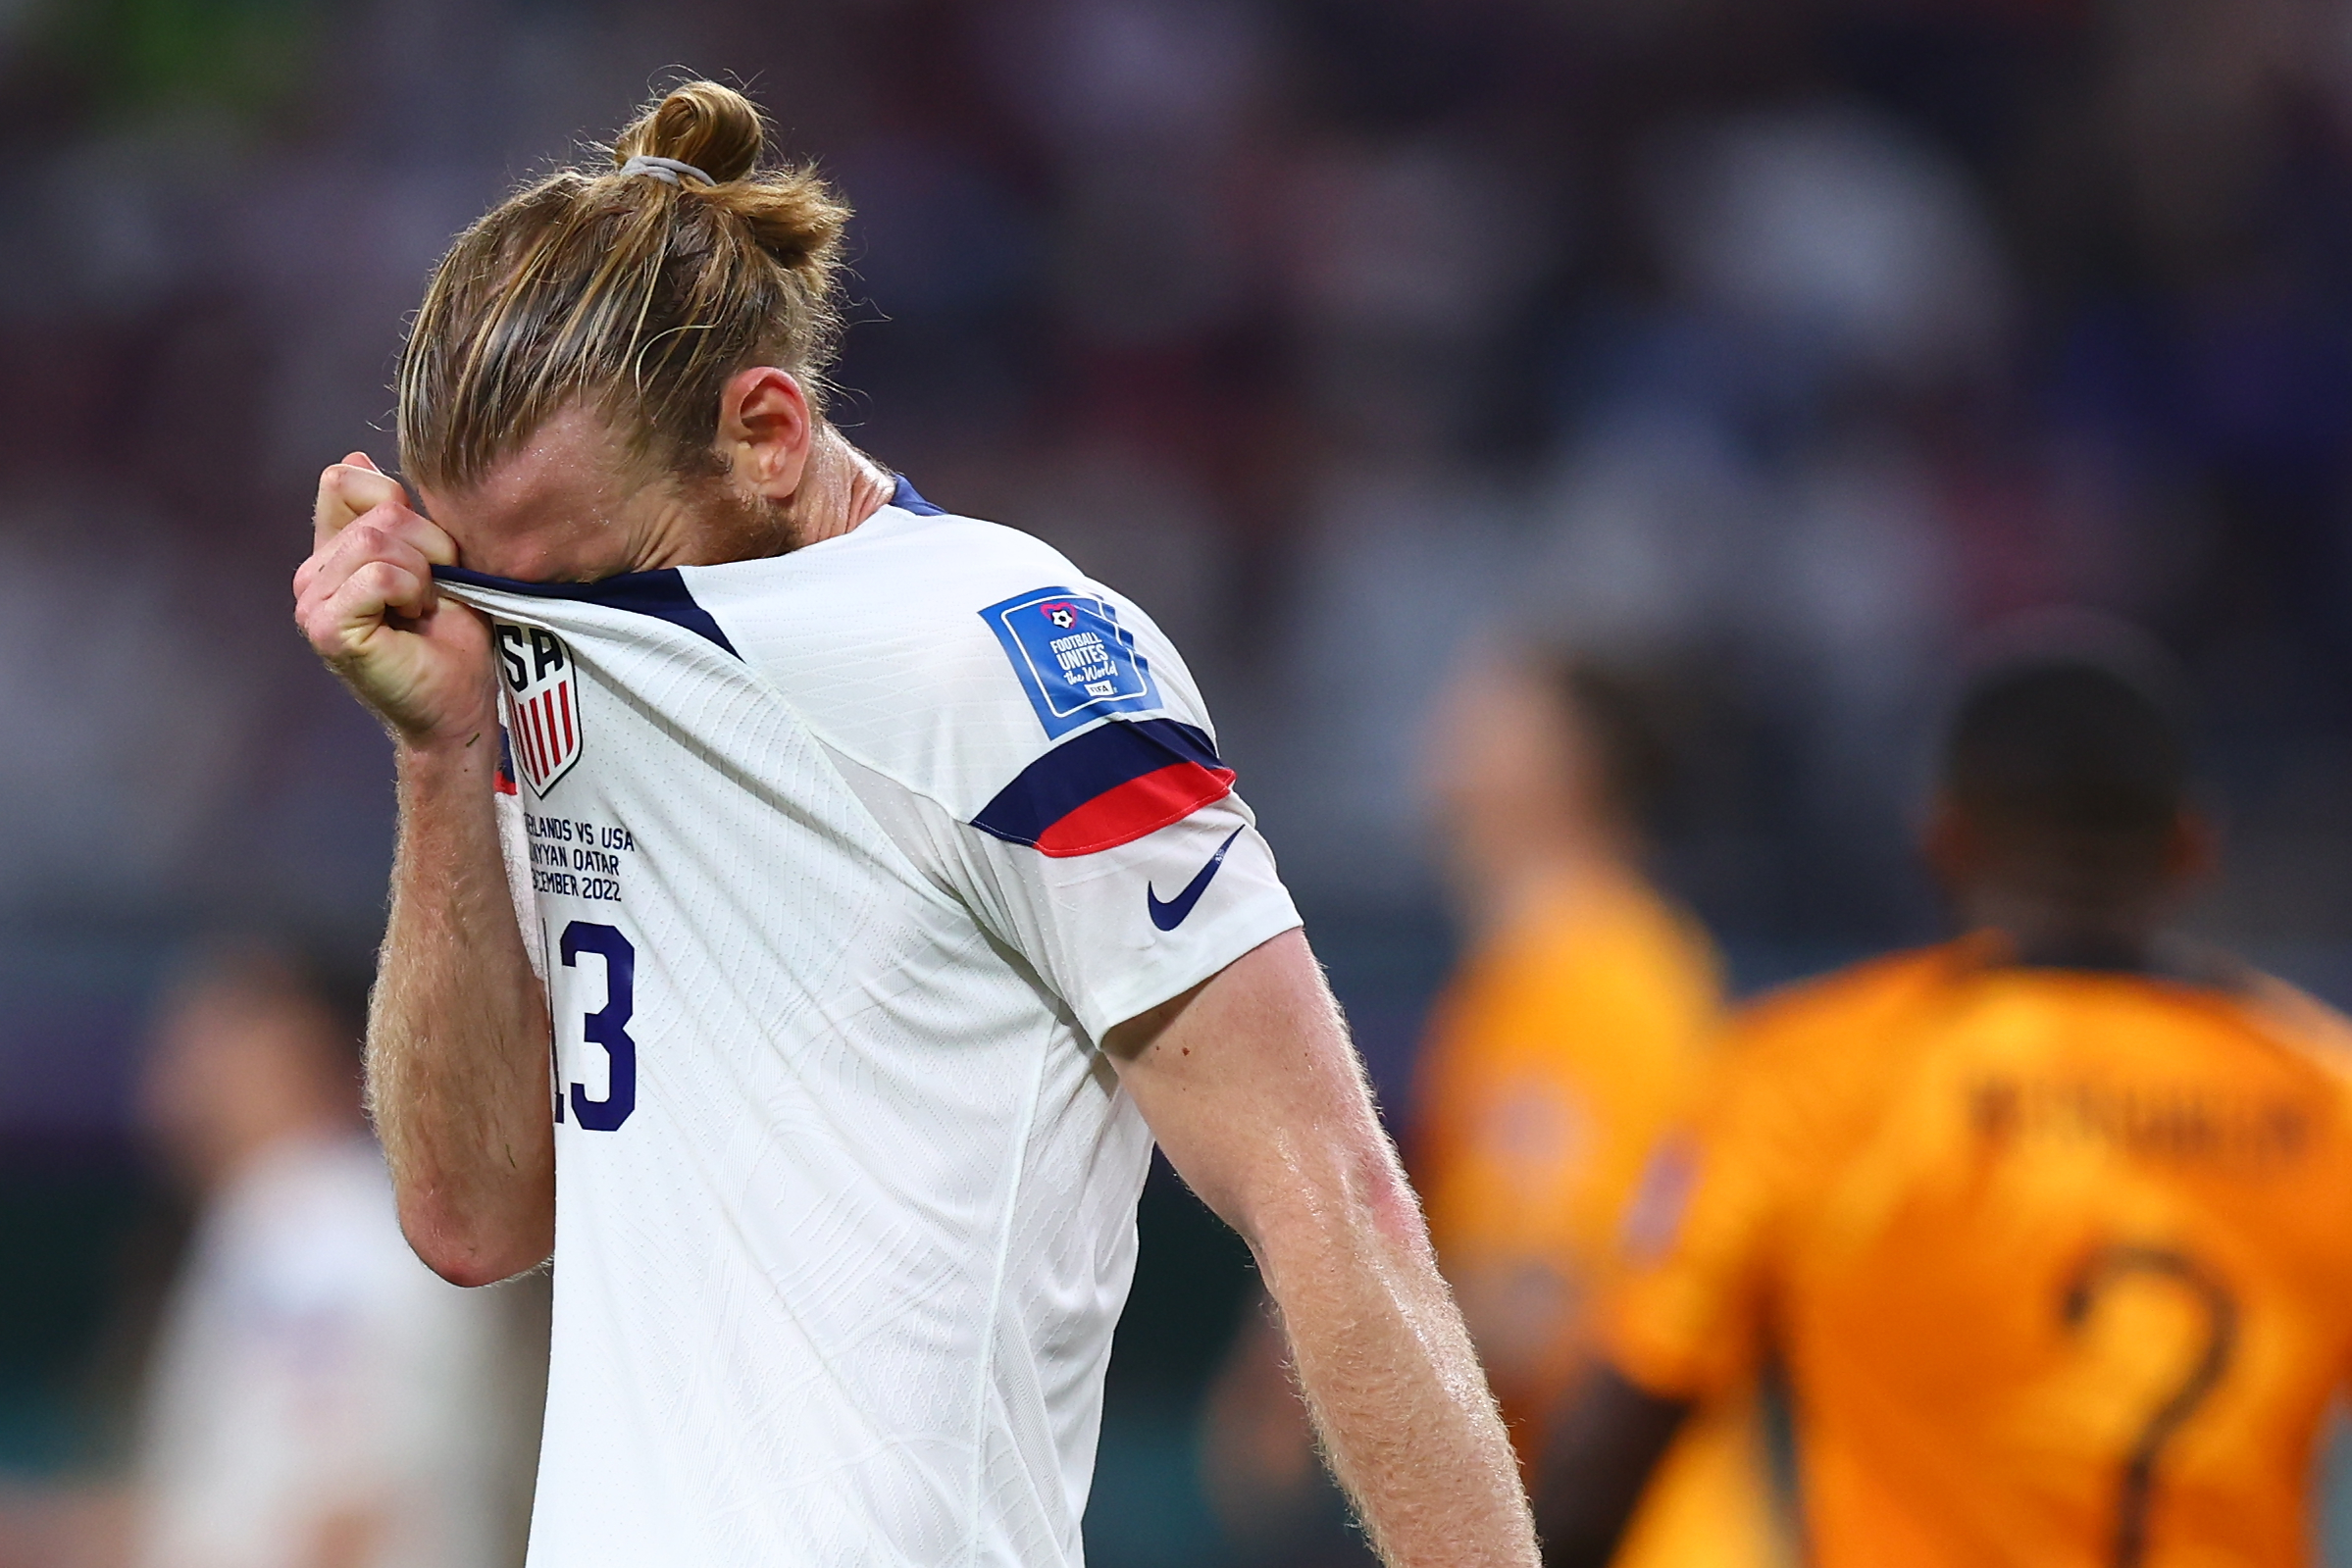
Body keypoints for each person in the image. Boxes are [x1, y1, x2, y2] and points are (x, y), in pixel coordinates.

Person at [290, 80, 1535, 1568]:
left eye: (578, 574)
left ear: (765, 431)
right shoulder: (556, 654)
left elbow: (1328, 1191)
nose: (532, 621)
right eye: (493, 579)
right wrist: (441, 751)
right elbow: (474, 1218)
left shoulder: (1007, 665)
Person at [1536, 650, 2352, 1568]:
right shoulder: (2327, 1094)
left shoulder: (1811, 1076)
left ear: (1943, 840)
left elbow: (1600, 1462)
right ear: (2192, 848)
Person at [1413, 650, 1785, 1568]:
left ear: (1564, 764)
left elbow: (1541, 1304)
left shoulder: (1603, 975)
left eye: (1490, 707)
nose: (1446, 728)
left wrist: (1331, 1323)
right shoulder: (1511, 985)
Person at [132, 939, 523, 1568]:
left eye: (221, 1037)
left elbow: (353, 1508)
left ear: (300, 1053)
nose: (181, 1072)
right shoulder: (276, 1223)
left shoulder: (327, 1229)